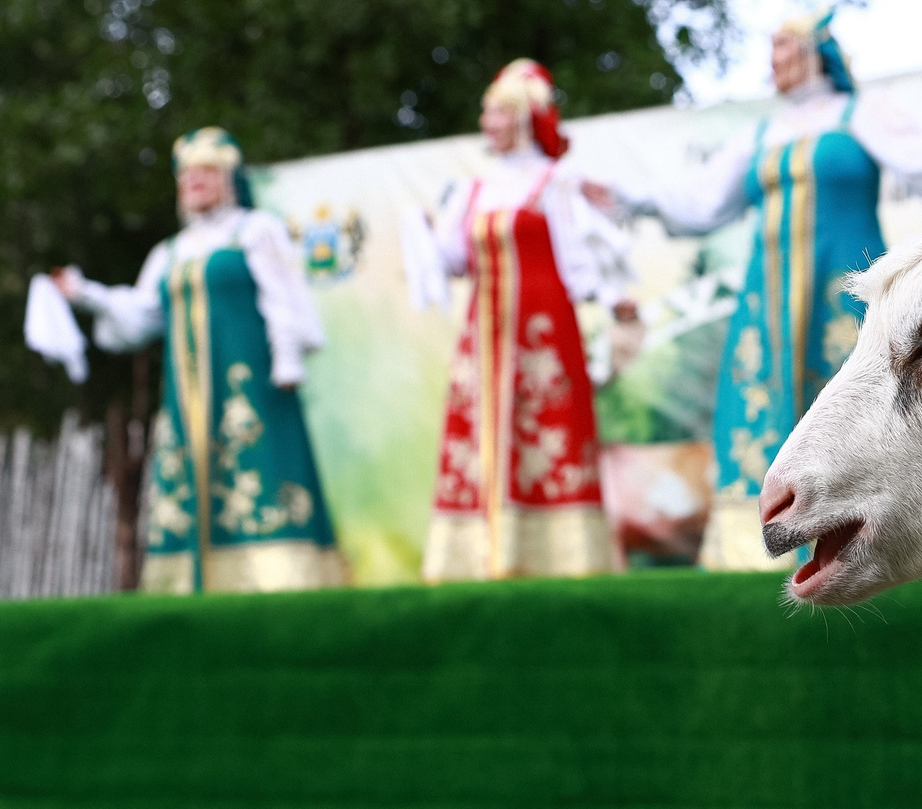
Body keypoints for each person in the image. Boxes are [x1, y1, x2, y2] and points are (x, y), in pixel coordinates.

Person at [616, 11, 922, 568]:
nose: (774, 59)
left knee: (861, 400)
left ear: (816, 50)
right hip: (765, 305)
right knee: (755, 402)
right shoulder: (761, 135)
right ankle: (751, 549)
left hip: (845, 291)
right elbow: (699, 200)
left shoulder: (857, 114)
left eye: (784, 46)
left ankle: (868, 538)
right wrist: (631, 198)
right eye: (771, 48)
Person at [58, 128, 346, 594]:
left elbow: (283, 297)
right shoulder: (170, 251)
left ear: (228, 179)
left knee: (262, 468)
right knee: (191, 478)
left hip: (252, 386)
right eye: (187, 175)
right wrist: (85, 294)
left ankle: (284, 580)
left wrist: (287, 358)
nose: (194, 182)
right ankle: (190, 586)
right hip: (188, 397)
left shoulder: (255, 230)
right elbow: (142, 315)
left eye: (206, 172)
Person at [401, 60, 634, 580]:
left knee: (548, 429)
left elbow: (579, 257)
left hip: (543, 331)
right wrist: (419, 228)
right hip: (483, 337)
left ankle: (564, 556)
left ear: (525, 118)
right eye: (486, 113)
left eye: (498, 112)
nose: (488, 122)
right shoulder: (476, 188)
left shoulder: (554, 182)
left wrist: (612, 296)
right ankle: (475, 556)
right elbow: (455, 260)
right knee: (479, 433)